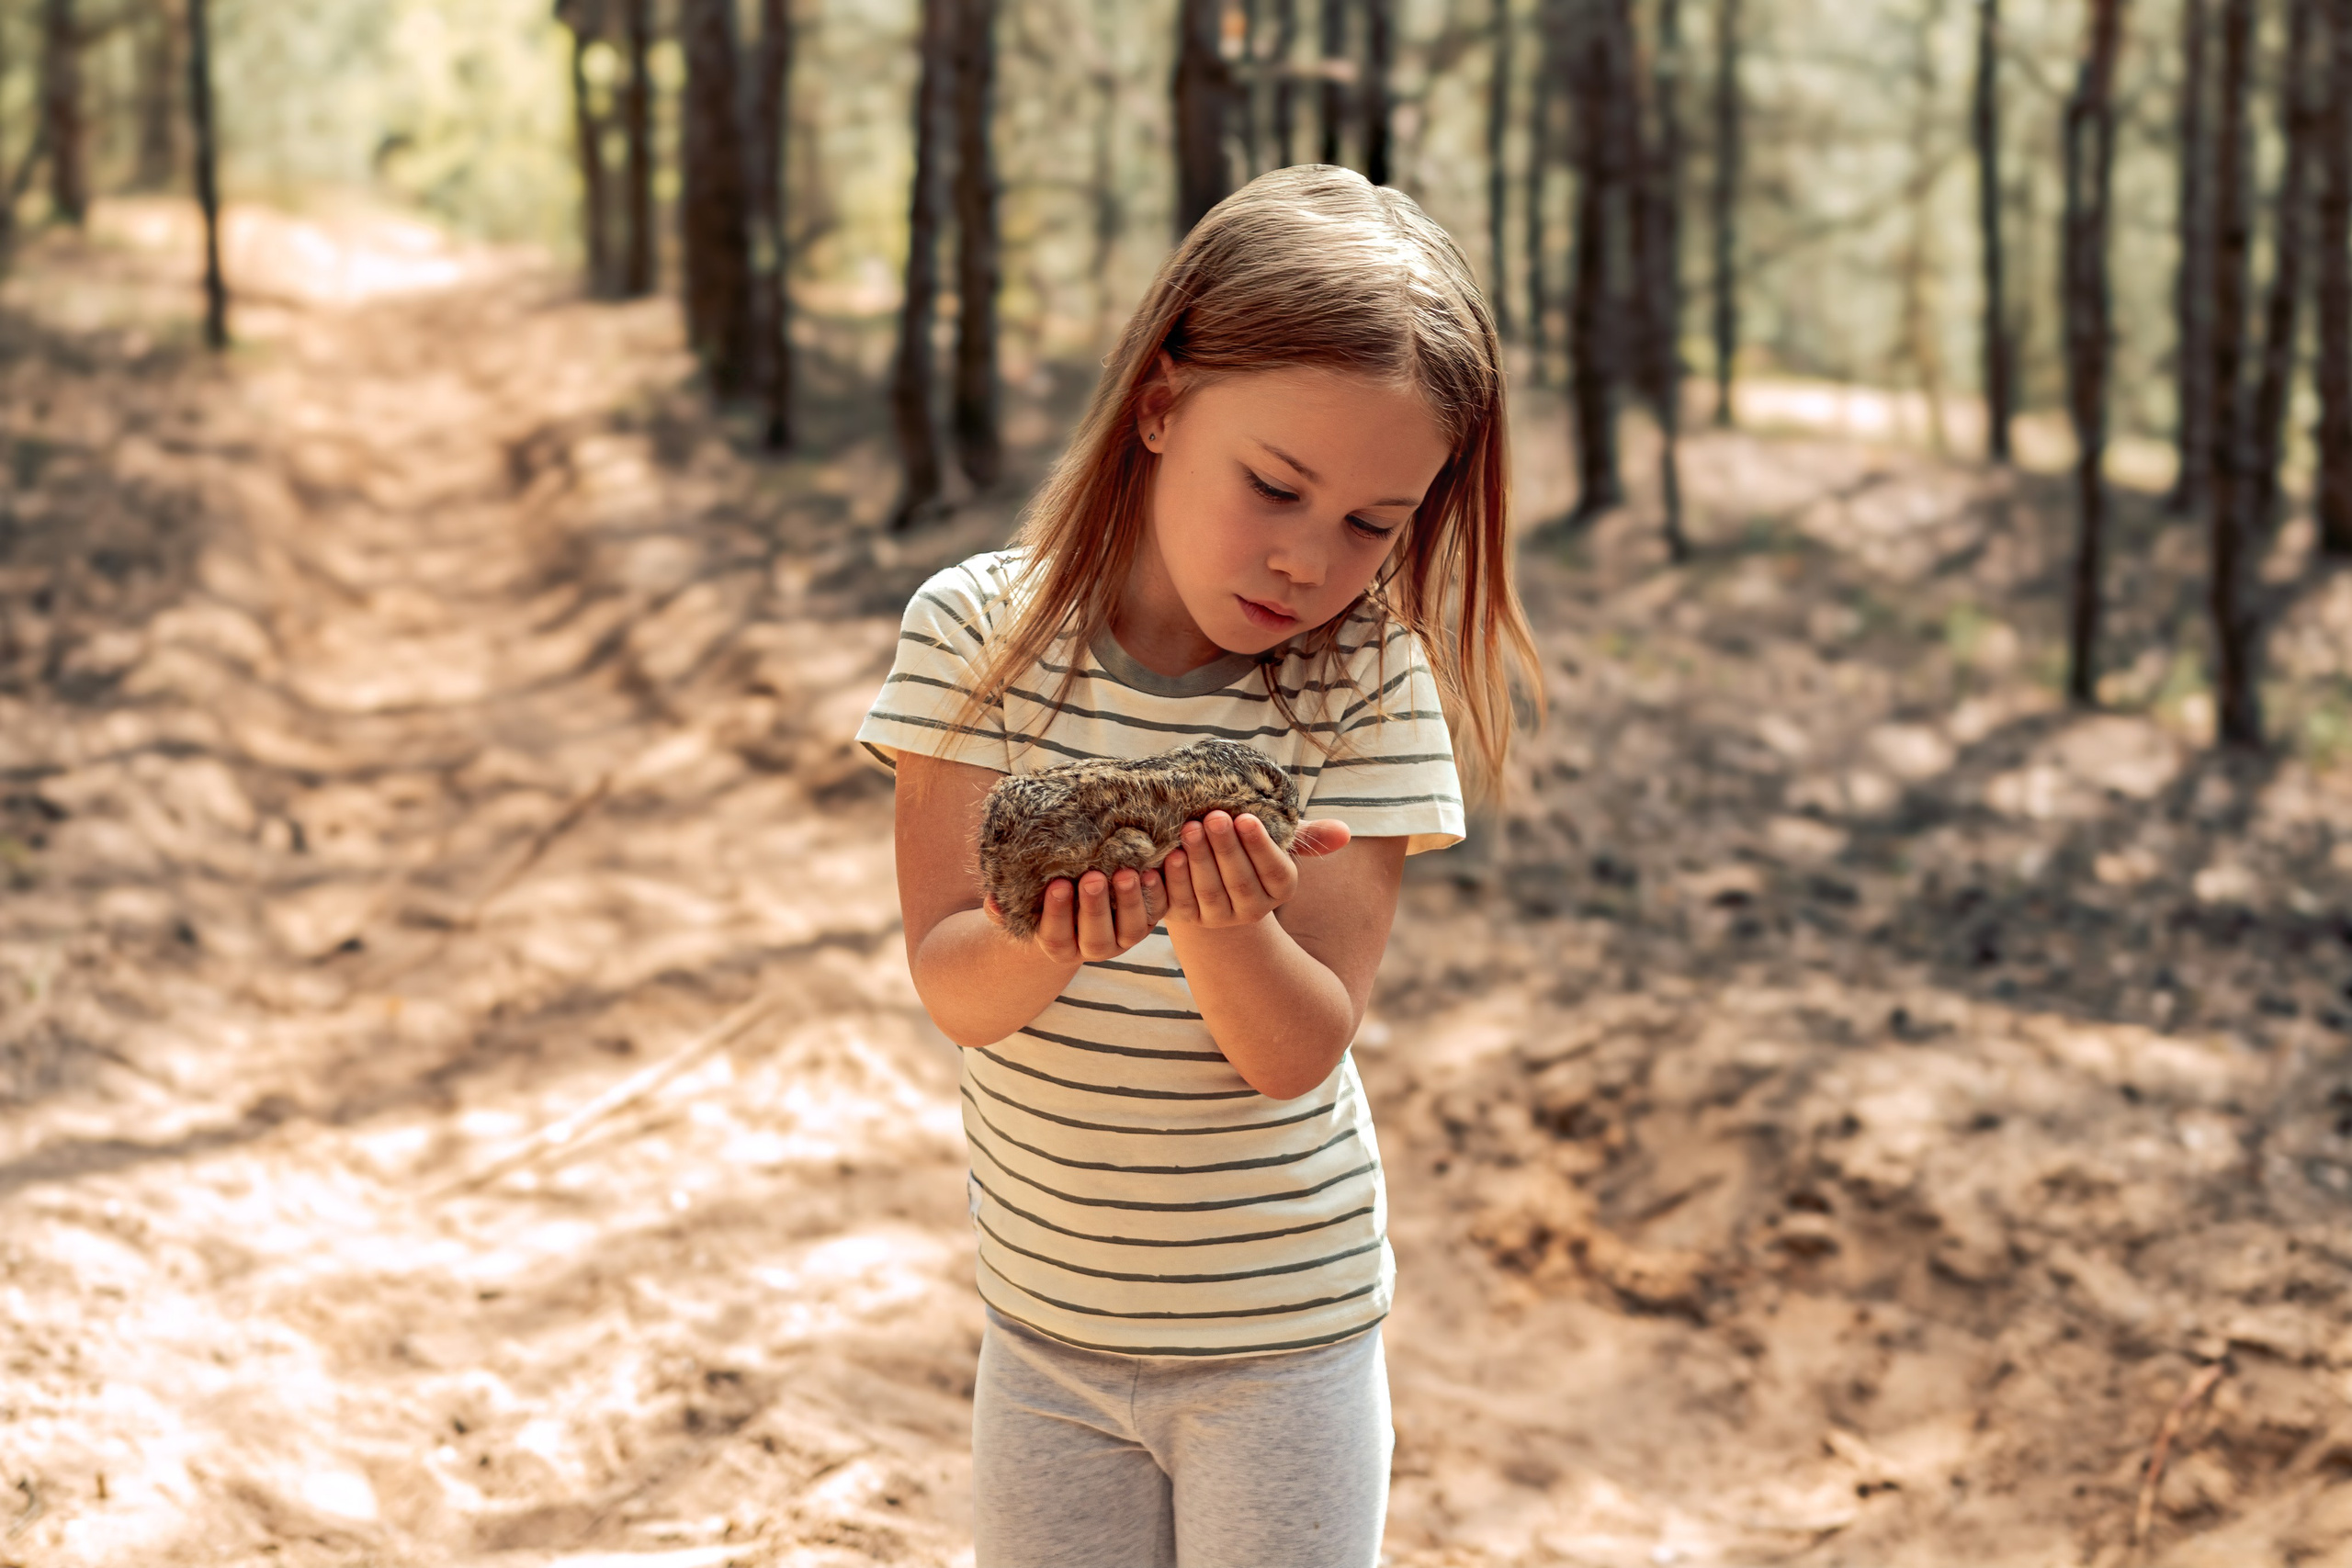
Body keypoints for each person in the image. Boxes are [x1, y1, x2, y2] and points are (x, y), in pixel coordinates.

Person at [855, 164, 1538, 1568]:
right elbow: (953, 988)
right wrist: (1056, 936)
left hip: (1282, 1345)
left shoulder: (1365, 687)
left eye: (1374, 525)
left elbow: (1297, 1052)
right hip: (1043, 1331)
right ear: (1162, 406)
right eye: (1276, 486)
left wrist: (1222, 928)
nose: (1308, 560)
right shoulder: (977, 639)